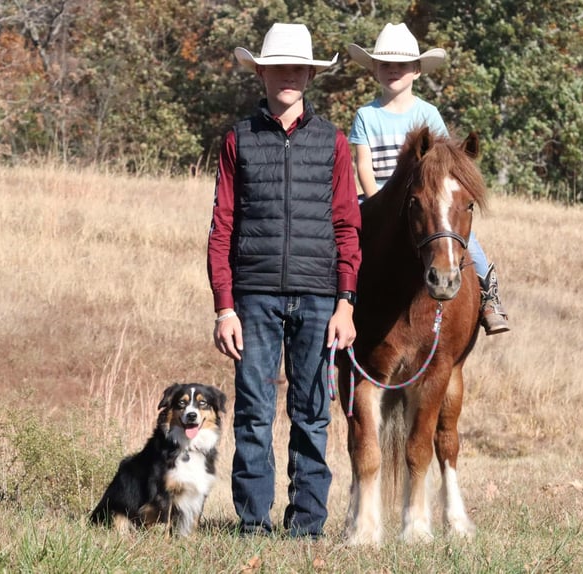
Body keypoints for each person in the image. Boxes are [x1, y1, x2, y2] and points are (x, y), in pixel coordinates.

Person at [207, 22, 362, 538]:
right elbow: (223, 224)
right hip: (253, 299)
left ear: (310, 76)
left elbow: (346, 224)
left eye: (299, 68)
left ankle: (306, 528)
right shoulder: (238, 139)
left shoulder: (333, 142)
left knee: (312, 413)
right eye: (279, 67)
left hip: (320, 298)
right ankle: (253, 524)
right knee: (253, 412)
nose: (289, 76)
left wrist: (346, 303)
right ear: (263, 73)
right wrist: (224, 306)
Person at [347, 22, 509, 336]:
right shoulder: (366, 114)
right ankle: (334, 297)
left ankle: (489, 299)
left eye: (401, 65)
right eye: (385, 65)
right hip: (378, 195)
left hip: (426, 199)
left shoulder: (428, 113)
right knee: (343, 236)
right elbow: (363, 165)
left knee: (468, 242)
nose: (393, 70)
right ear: (375, 70)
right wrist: (381, 202)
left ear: (417, 71)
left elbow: (445, 162)